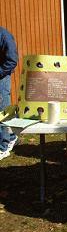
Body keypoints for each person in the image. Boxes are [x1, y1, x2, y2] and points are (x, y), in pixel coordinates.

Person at [0, 26, 19, 160]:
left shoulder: (4, 35)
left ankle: (3, 147)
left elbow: (12, 59)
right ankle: (12, 137)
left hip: (2, 77)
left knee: (2, 112)